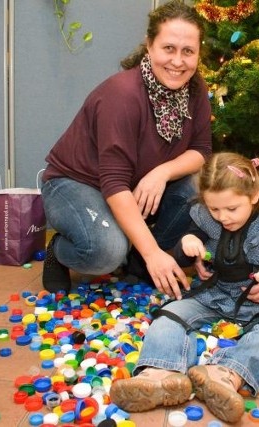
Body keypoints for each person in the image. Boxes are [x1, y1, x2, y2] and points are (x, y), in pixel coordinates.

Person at [109, 152, 259, 424]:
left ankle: (225, 375)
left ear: (254, 195)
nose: (223, 217)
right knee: (169, 315)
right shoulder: (202, 213)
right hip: (214, 292)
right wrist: (187, 244)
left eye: (232, 209)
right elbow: (182, 254)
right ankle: (159, 372)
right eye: (215, 209)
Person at [40, 1, 211, 295]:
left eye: (188, 51)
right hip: (76, 184)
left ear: (198, 54)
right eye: (168, 48)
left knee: (199, 189)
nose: (178, 61)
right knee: (106, 252)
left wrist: (162, 172)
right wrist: (154, 254)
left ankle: (135, 258)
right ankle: (60, 250)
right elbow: (114, 183)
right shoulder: (122, 94)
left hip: (131, 185)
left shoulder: (195, 89)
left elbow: (201, 150)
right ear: (149, 46)